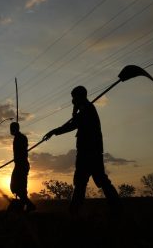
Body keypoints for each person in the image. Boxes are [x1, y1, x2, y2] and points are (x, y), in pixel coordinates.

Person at [44, 86, 122, 216]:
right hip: (90, 152)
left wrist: (54, 131)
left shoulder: (87, 110)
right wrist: (74, 111)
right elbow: (75, 122)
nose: (72, 100)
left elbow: (72, 125)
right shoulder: (85, 109)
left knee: (87, 182)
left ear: (80, 96)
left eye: (74, 98)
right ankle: (115, 207)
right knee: (87, 182)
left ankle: (75, 211)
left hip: (88, 153)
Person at [9, 122, 36, 212]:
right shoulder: (18, 138)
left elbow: (22, 151)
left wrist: (18, 157)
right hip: (20, 164)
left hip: (21, 165)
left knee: (16, 186)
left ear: (15, 129)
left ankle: (28, 205)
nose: (10, 130)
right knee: (18, 187)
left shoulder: (20, 138)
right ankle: (24, 205)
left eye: (11, 128)